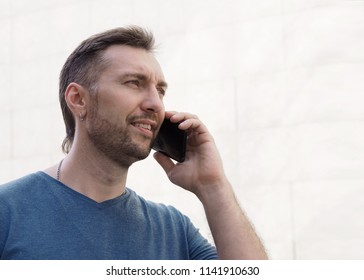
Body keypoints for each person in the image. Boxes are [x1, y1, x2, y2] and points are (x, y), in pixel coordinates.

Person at [0, 26, 267, 260]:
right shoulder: (8, 211)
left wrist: (213, 186)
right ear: (79, 100)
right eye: (134, 83)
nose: (155, 104)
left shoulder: (174, 231)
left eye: (160, 91)